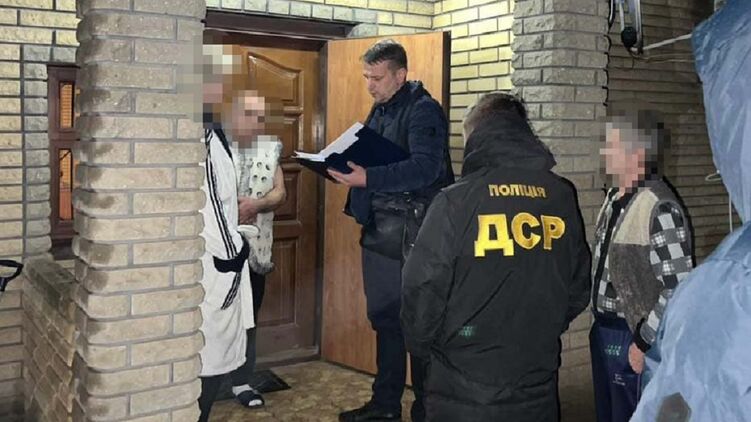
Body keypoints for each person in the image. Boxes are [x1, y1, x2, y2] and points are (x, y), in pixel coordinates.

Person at [400, 92, 591, 421]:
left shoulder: (455, 202)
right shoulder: (560, 196)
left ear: (477, 137)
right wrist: (540, 332)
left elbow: (422, 288)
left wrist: (428, 347)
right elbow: (579, 286)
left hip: (463, 388)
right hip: (537, 383)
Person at [632, 1, 751, 420]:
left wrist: (645, 338)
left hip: (638, 334)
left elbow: (672, 279)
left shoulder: (658, 205)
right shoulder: (620, 201)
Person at [328, 39, 454, 422]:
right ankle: (385, 406)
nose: (370, 85)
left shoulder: (423, 110)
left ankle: (427, 411)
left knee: (418, 325)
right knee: (385, 321)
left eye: (377, 78)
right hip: (382, 232)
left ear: (400, 75)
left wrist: (368, 178)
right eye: (366, 77)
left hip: (412, 235)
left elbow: (426, 169)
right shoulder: (382, 108)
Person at [589, 104, 694, 422]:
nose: (604, 152)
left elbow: (678, 287)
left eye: (612, 145)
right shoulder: (614, 198)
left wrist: (642, 341)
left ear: (636, 154)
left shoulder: (658, 206)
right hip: (604, 331)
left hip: (632, 338)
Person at [196, 45, 256, 422]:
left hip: (217, 256)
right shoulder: (202, 132)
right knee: (210, 354)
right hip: (216, 260)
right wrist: (235, 252)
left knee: (212, 354)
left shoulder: (212, 128)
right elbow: (210, 200)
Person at [228, 91, 287, 409]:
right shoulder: (215, 145)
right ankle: (205, 379)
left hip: (257, 250)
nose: (257, 122)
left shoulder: (270, 147)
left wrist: (257, 204)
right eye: (250, 114)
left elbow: (280, 193)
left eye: (261, 116)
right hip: (219, 248)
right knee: (215, 314)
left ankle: (242, 382)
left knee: (249, 316)